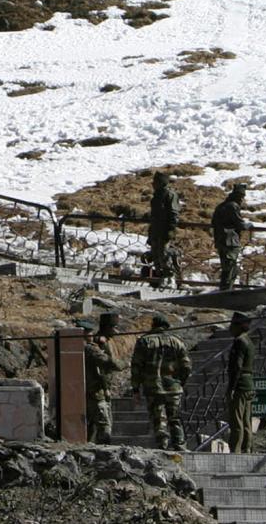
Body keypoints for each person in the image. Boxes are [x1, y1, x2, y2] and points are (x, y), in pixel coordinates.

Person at [131, 314, 191, 451]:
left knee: (158, 419)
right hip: (173, 386)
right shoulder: (177, 341)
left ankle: (162, 446)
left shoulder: (144, 341)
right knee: (175, 417)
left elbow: (136, 367)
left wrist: (135, 388)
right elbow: (186, 366)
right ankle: (180, 445)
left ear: (153, 325)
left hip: (153, 387)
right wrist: (181, 381)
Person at [83, 312, 123, 443]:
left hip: (99, 389)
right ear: (106, 327)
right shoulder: (99, 343)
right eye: (113, 327)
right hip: (97, 389)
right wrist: (106, 388)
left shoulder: (104, 341)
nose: (116, 331)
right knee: (103, 424)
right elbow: (102, 368)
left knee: (94, 425)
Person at [226, 312, 256, 453]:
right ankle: (247, 448)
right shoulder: (249, 342)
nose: (230, 328)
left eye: (232, 324)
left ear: (238, 326)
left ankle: (236, 450)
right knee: (246, 421)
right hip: (248, 384)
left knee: (236, 420)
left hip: (240, 385)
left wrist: (231, 387)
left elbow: (237, 366)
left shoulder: (239, 342)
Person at [146, 172, 183, 284]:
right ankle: (160, 279)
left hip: (164, 230)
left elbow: (174, 214)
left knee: (164, 256)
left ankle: (172, 278)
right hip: (156, 230)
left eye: (155, 182)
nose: (153, 184)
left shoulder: (169, 195)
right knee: (156, 257)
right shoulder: (157, 195)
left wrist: (171, 230)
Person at [212, 184, 249, 289]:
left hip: (220, 240)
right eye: (241, 197)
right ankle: (227, 290)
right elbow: (240, 224)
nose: (242, 199)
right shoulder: (233, 206)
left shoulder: (221, 206)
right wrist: (248, 225)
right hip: (230, 241)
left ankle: (224, 289)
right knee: (231, 268)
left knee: (225, 268)